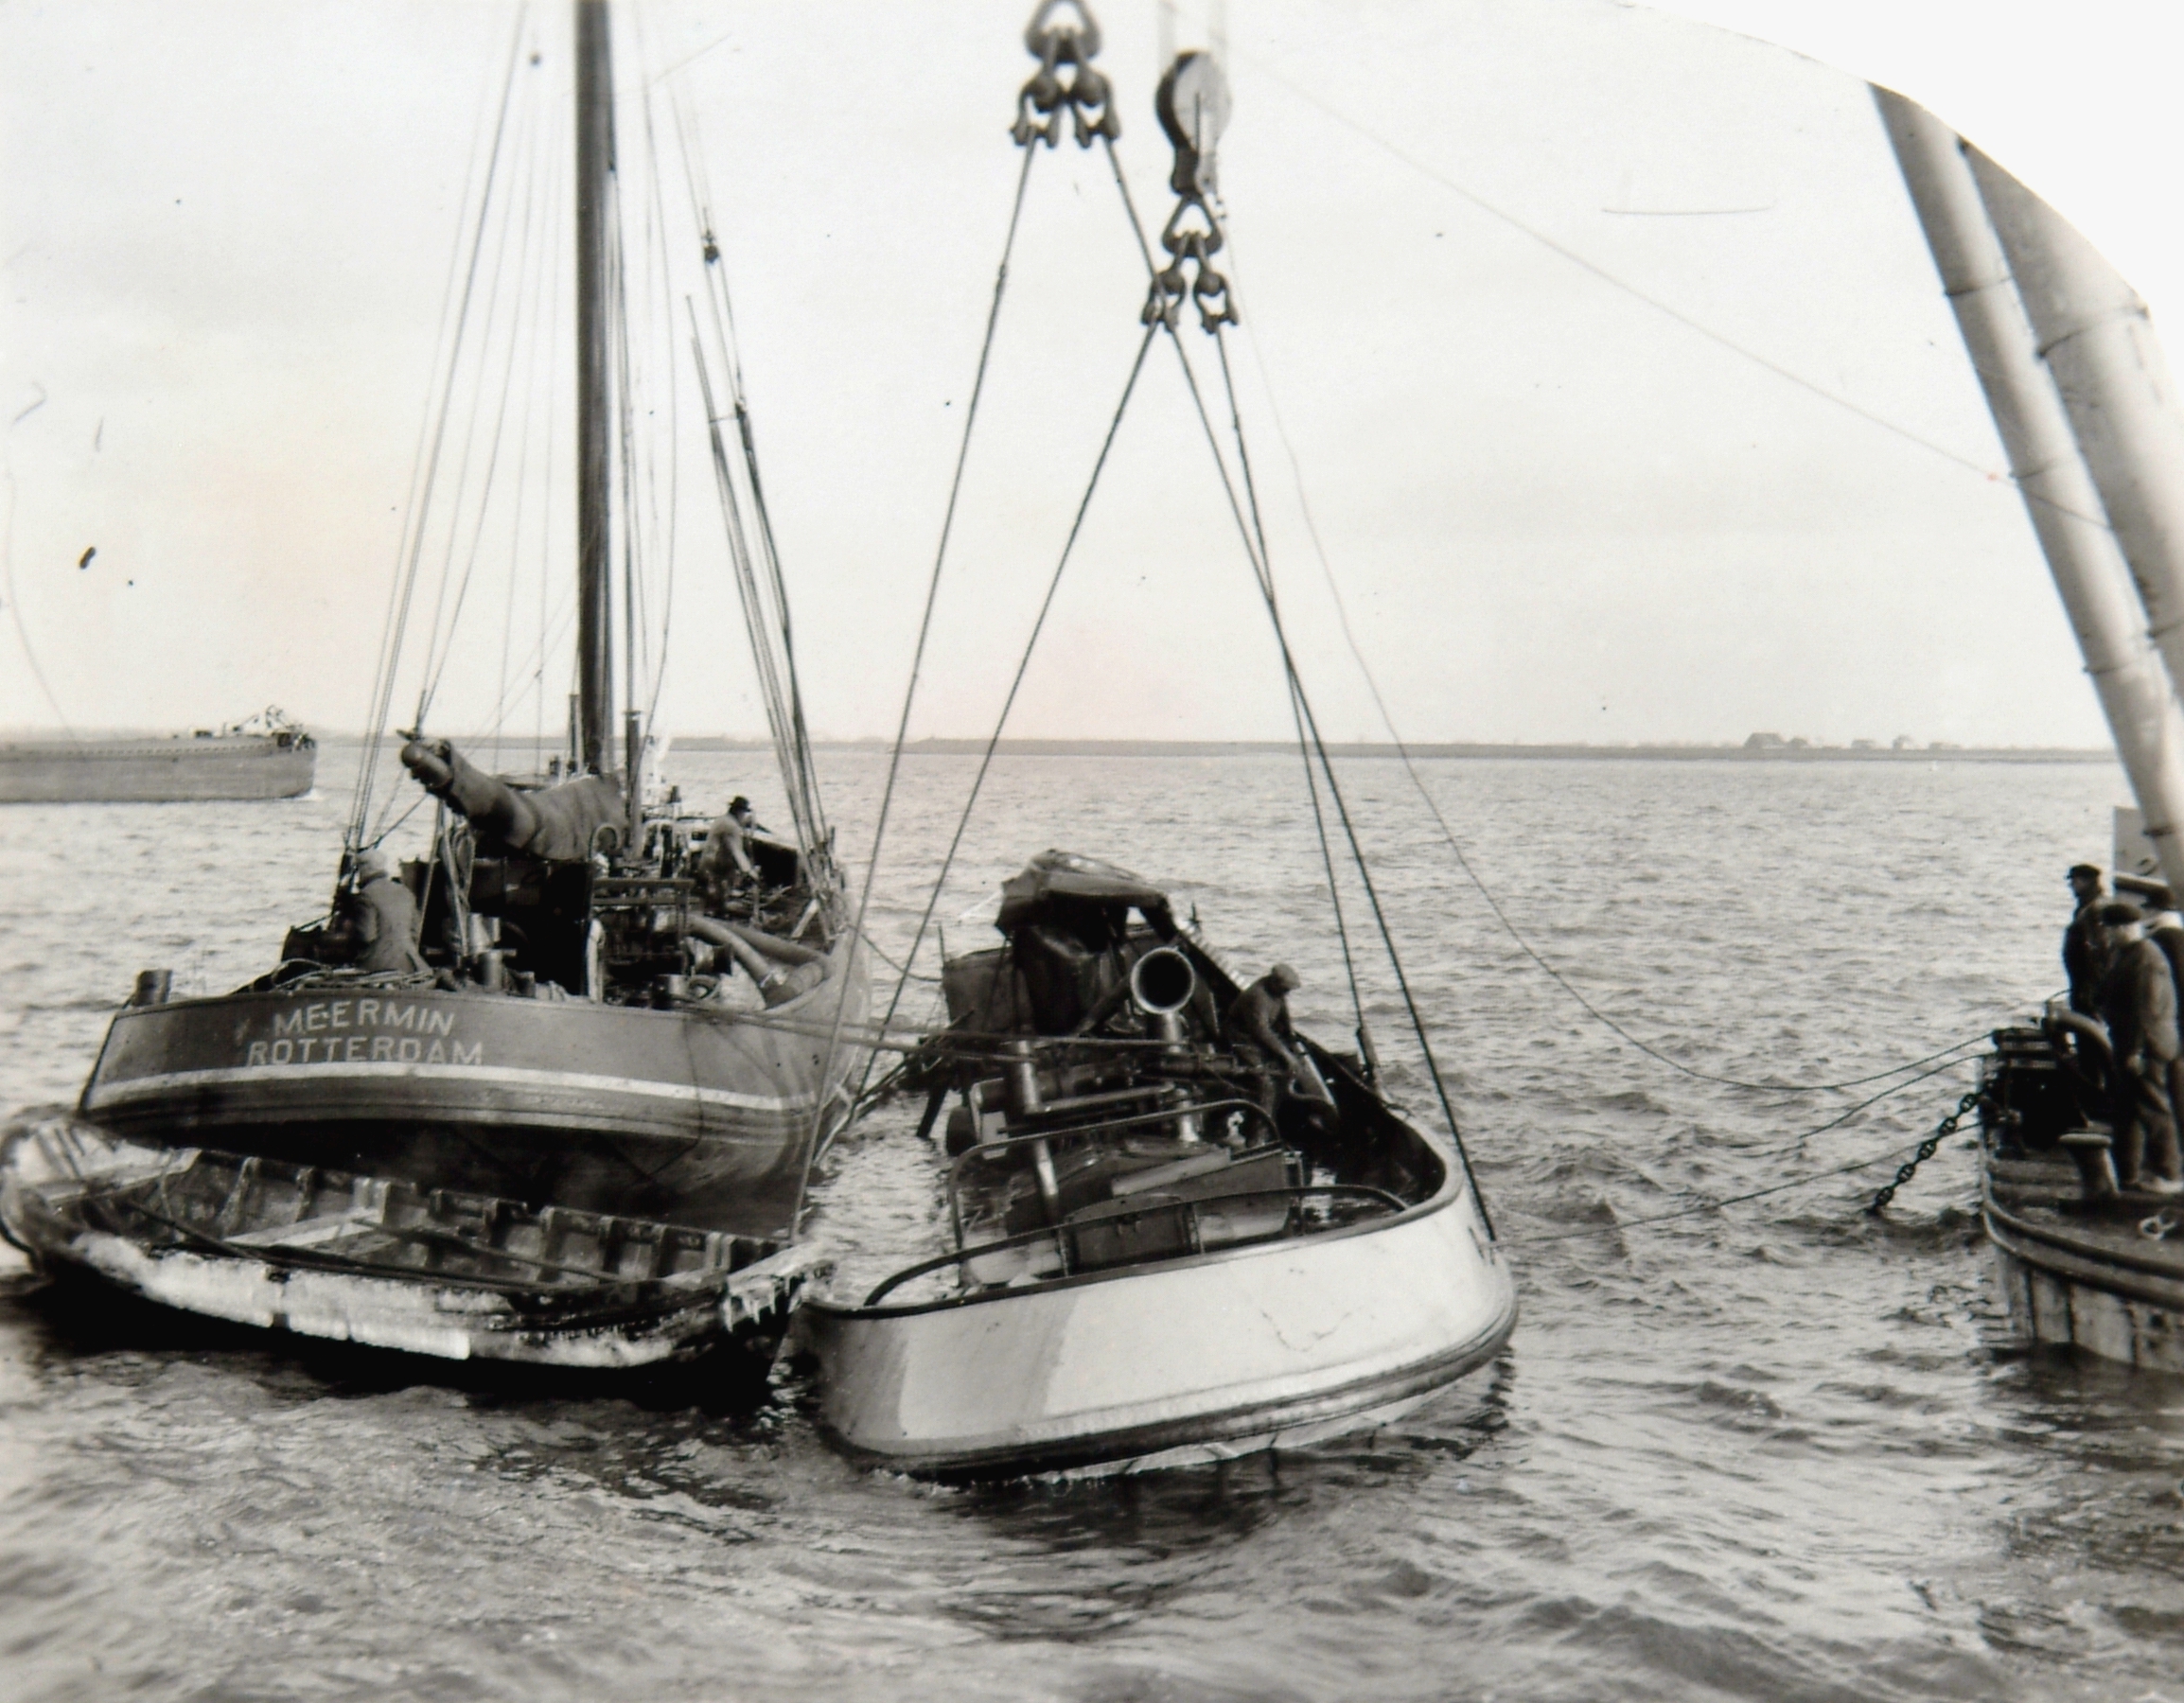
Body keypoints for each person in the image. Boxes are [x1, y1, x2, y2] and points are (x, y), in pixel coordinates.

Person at [2096, 901, 2184, 1195]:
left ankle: (2169, 1174)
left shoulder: (2146, 960)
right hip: (2130, 1043)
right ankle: (2128, 1174)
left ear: (2124, 928)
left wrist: (2138, 1052)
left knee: (2153, 1108)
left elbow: (2146, 1012)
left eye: (2110, 929)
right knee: (2128, 1110)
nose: (2107, 935)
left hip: (2146, 1047)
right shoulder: (2129, 954)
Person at [347, 847, 427, 974]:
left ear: (364, 868)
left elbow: (367, 937)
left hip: (379, 965)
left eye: (358, 869)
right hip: (410, 963)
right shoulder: (404, 892)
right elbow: (416, 931)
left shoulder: (366, 895)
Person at [696, 795, 764, 911]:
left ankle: (715, 905)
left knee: (718, 887)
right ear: (739, 812)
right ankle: (719, 908)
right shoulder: (731, 826)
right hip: (715, 865)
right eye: (744, 814)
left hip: (707, 862)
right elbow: (736, 851)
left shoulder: (722, 820)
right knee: (725, 883)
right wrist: (750, 872)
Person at [2064, 864, 2109, 1015]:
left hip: (2089, 986)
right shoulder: (2086, 908)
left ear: (2086, 881)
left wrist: (2090, 989)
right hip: (2083, 983)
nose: (2071, 886)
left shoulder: (2095, 910)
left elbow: (2098, 951)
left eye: (2074, 881)